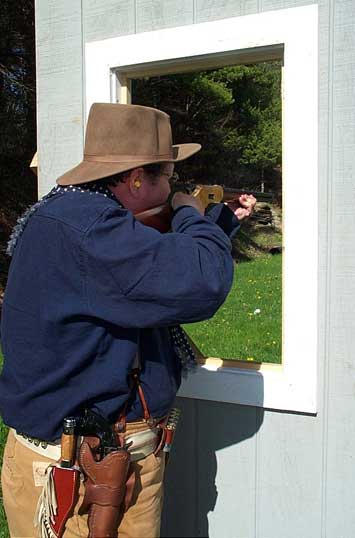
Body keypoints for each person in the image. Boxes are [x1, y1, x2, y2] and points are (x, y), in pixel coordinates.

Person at [0, 103, 256, 538]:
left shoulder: (70, 217)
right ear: (138, 178)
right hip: (84, 476)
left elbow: (149, 271)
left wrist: (219, 220)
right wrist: (188, 211)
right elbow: (203, 279)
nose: (173, 188)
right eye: (169, 178)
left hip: (92, 462)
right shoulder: (93, 230)